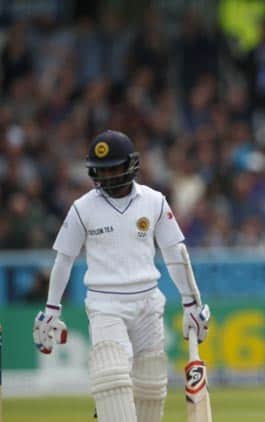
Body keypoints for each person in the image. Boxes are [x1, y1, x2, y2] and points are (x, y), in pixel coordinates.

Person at [32, 130, 211, 422]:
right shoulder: (83, 207)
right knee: (112, 380)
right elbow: (63, 260)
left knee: (151, 389)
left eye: (114, 168)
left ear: (130, 165)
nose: (109, 177)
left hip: (148, 303)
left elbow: (175, 253)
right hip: (105, 305)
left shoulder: (154, 201)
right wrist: (52, 309)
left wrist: (192, 304)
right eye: (102, 171)